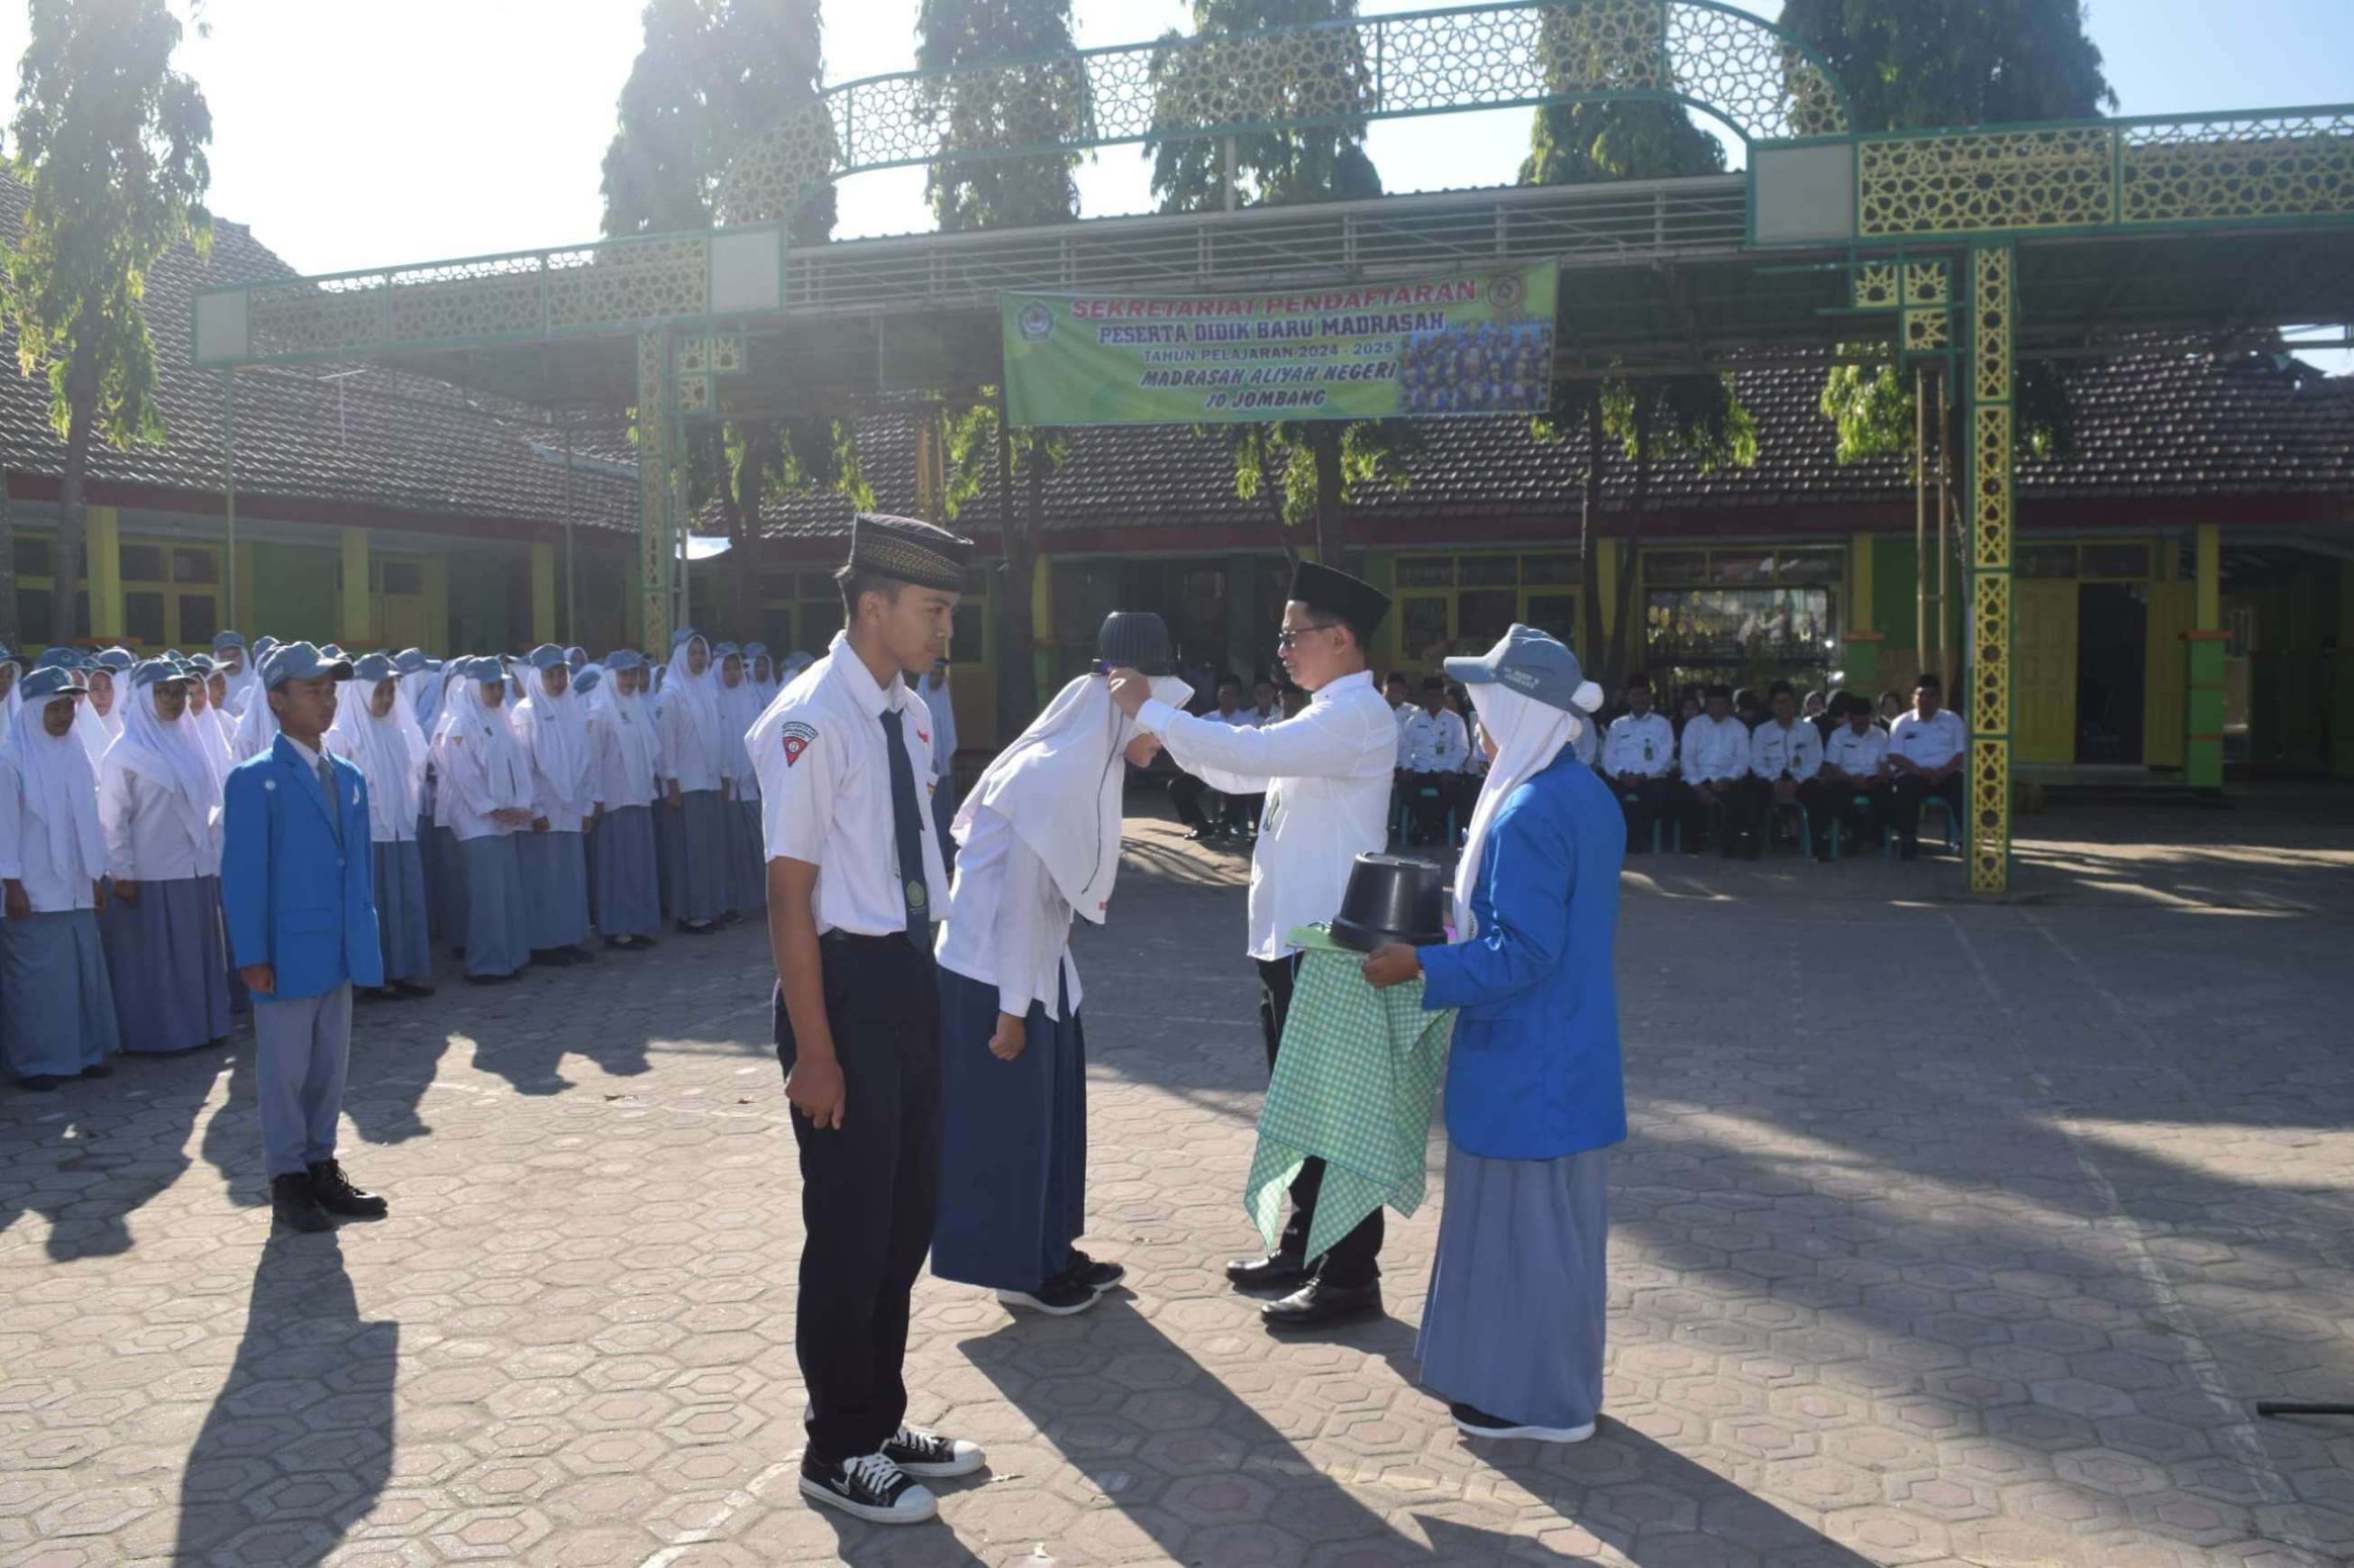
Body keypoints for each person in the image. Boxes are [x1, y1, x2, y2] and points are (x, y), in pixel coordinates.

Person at [749, 514, 986, 1527]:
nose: (945, 631)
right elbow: (788, 897)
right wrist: (814, 1049)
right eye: (933, 610)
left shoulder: (913, 714)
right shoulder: (809, 721)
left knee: (904, 1219)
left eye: (950, 611)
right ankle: (833, 1447)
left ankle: (877, 1418)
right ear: (872, 604)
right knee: (847, 1229)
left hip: (907, 980)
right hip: (839, 989)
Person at [1107, 561, 1397, 1332]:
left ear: (1341, 639)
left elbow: (1250, 758)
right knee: (1300, 1112)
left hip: (1330, 947)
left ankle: (1349, 1278)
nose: (1284, 650)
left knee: (1335, 1118)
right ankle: (1303, 1250)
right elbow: (1233, 770)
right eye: (1282, 636)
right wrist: (1163, 727)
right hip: (1291, 941)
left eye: (1295, 635)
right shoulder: (1318, 718)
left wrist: (1155, 711)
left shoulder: (1355, 716)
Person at [1359, 624, 1624, 1445]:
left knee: (1526, 1242)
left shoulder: (1529, 809)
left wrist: (1421, 968)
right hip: (1565, 1056)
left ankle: (1538, 1404)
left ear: (1521, 708)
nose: (1475, 719)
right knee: (1554, 1239)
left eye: (1483, 702)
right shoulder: (1584, 792)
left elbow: (1526, 951)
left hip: (1526, 1063)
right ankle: (1551, 1390)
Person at [932, 613, 1186, 1318]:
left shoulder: (1089, 755)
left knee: (1051, 1124)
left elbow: (1048, 895)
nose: (1162, 736)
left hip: (1037, 970)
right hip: (997, 977)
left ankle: (1049, 1248)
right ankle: (1019, 1269)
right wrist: (1013, 1012)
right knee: (1009, 1133)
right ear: (1126, 696)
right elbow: (1016, 904)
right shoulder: (1058, 774)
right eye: (1158, 716)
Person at [221, 642, 388, 1234]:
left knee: (328, 1069)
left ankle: (322, 1166)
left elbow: (358, 869)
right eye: (312, 690)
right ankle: (288, 1178)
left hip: (336, 944)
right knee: (284, 1072)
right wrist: (252, 955)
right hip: (286, 951)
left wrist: (362, 938)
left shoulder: (346, 775)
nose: (327, 700)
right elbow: (242, 876)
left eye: (331, 690)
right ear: (276, 699)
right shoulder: (254, 779)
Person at [97, 659, 232, 1053]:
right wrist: (122, 872)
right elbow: (112, 821)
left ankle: (204, 1026)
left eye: (178, 692)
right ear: (143, 697)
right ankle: (161, 1036)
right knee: (158, 961)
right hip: (150, 874)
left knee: (194, 955)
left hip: (195, 868)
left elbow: (209, 804)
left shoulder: (190, 743)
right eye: (163, 692)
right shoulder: (124, 753)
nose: (173, 700)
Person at [0, 667, 120, 1089]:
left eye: (69, 705)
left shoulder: (74, 752)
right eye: (54, 707)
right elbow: (5, 831)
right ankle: (38, 1063)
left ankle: (84, 1054)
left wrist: (93, 876)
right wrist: (11, 885)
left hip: (76, 888)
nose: (64, 715)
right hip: (32, 890)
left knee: (81, 974)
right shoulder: (10, 760)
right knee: (36, 982)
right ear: (33, 711)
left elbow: (87, 821)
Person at [327, 652, 435, 1000]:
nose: (387, 700)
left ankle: (405, 969)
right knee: (375, 905)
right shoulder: (342, 736)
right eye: (380, 692)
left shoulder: (396, 733)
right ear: (360, 692)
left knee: (406, 901)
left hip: (401, 832)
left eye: (391, 691)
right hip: (368, 837)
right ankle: (374, 975)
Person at [433, 658, 535, 983]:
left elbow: (518, 766)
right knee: (487, 895)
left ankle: (510, 958)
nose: (496, 692)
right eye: (490, 686)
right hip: (477, 822)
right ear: (474, 687)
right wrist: (492, 808)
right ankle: (486, 964)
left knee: (507, 891)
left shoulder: (500, 718)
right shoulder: (459, 725)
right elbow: (463, 775)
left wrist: (521, 805)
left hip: (505, 819)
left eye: (499, 685)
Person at [512, 645, 597, 968]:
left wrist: (587, 805)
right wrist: (535, 809)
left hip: (572, 808)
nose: (558, 680)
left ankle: (569, 938)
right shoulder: (525, 711)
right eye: (551, 674)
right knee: (543, 878)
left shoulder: (572, 708)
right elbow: (524, 767)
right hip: (545, 810)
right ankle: (544, 943)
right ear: (537, 677)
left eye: (561, 673)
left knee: (569, 877)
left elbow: (586, 762)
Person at [656, 630, 734, 935]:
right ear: (681, 657)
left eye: (703, 653)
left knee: (710, 849)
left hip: (710, 782)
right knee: (690, 851)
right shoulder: (671, 693)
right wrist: (671, 781)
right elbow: (665, 743)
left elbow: (720, 735)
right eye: (694, 653)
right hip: (686, 786)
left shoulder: (708, 689)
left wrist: (724, 774)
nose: (699, 659)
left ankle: (710, 906)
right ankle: (692, 913)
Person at [585, 650, 663, 952]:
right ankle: (618, 928)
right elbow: (592, 761)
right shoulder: (600, 712)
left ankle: (638, 923)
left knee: (639, 864)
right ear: (610, 677)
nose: (630, 680)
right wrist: (597, 797)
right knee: (618, 867)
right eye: (624, 674)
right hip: (615, 801)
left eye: (634, 674)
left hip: (640, 798)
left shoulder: (638, 707)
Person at [1877, 673, 1966, 861]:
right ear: (1913, 698)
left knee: (1962, 785)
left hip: (1946, 774)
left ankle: (1967, 840)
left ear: (1939, 699)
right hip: (1914, 773)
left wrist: (1943, 771)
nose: (1926, 700)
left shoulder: (1953, 721)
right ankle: (1908, 840)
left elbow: (1961, 754)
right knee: (1905, 786)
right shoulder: (1901, 723)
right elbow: (1894, 755)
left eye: (1931, 695)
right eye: (1921, 695)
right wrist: (1918, 770)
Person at [715, 643, 770, 918]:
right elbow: (718, 741)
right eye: (727, 668)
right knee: (728, 848)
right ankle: (731, 902)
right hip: (725, 786)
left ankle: (756, 899)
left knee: (754, 842)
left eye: (736, 668)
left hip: (749, 784)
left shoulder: (750, 698)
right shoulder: (715, 699)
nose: (733, 674)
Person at [1749, 680, 1829, 860]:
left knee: (1817, 793)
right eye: (1778, 702)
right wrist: (1773, 779)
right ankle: (1753, 845)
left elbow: (1816, 760)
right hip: (1772, 778)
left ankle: (1817, 847)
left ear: (1794, 703)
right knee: (1756, 791)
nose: (1783, 706)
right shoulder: (1762, 731)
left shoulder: (1809, 730)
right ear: (1772, 706)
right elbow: (1756, 761)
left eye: (1787, 701)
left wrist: (1798, 779)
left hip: (1800, 778)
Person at [1600, 674, 1676, 852]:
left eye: (1643, 694)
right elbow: (1608, 757)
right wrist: (1621, 774)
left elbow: (1665, 758)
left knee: (1658, 799)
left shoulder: (1662, 724)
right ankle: (1617, 841)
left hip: (1651, 778)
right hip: (1621, 777)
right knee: (1604, 799)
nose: (1639, 698)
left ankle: (1635, 841)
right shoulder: (1618, 725)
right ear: (1628, 698)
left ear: (1650, 697)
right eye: (1634, 694)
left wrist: (1644, 775)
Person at [1168, 674, 1249, 842]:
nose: (1227, 698)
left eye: (1232, 694)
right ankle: (1200, 825)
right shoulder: (1206, 719)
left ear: (1238, 697)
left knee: (1242, 784)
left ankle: (1226, 824)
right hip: (1208, 769)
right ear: (1218, 695)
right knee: (1177, 786)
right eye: (1224, 693)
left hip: (1234, 769)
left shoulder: (1248, 721)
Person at [1677, 684, 1752, 856]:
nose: (1716, 708)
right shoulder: (1694, 726)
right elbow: (1687, 759)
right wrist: (1698, 786)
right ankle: (1692, 842)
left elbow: (1742, 761)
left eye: (1721, 704)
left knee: (1741, 797)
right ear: (1706, 705)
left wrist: (1728, 778)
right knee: (1683, 795)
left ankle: (1729, 844)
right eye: (1711, 704)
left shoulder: (1739, 728)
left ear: (1729, 706)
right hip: (1698, 778)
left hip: (1727, 778)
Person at [1397, 674, 1470, 846]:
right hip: (1420, 771)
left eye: (1437, 695)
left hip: (1445, 772)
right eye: (1429, 695)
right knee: (1404, 788)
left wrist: (1451, 770)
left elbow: (1462, 748)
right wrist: (1407, 767)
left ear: (1443, 696)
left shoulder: (1455, 721)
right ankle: (1430, 828)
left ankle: (1423, 829)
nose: (1433, 700)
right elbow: (1405, 747)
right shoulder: (1413, 721)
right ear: (1424, 696)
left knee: (1454, 791)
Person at [1821, 691, 1890, 854]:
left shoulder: (1880, 735)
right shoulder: (1838, 736)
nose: (1861, 727)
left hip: (1873, 780)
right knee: (1836, 798)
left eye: (1865, 723)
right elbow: (1832, 766)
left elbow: (1884, 764)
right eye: (1857, 724)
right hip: (1846, 779)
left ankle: (1875, 835)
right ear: (1849, 718)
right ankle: (1857, 831)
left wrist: (1879, 777)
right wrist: (1851, 778)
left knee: (1886, 799)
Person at [917, 656, 961, 852]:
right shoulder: (918, 704)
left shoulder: (944, 696)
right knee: (929, 812)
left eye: (941, 674)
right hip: (926, 769)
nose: (937, 679)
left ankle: (946, 854)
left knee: (945, 810)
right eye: (933, 674)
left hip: (943, 768)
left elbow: (950, 732)